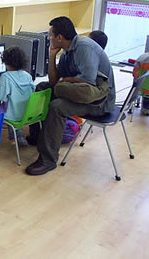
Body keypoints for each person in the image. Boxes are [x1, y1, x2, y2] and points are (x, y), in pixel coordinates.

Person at [26, 16, 115, 176]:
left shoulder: (84, 47)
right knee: (42, 88)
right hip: (81, 93)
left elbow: (88, 80)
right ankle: (37, 136)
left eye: (50, 35)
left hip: (100, 102)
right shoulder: (67, 51)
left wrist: (66, 80)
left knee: (57, 106)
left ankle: (48, 160)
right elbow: (53, 82)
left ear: (60, 37)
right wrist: (52, 55)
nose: (49, 38)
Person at [0, 46, 35, 145]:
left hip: (14, 116)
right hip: (28, 113)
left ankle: (13, 135)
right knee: (14, 106)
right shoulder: (27, 75)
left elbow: (0, 97)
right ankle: (18, 133)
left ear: (6, 62)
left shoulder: (6, 77)